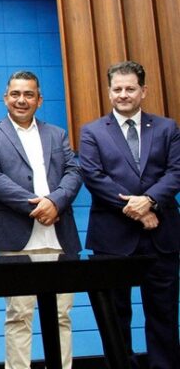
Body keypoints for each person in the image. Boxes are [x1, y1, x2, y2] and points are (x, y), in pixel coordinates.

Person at [0, 71, 82, 369]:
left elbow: (74, 172)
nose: (21, 100)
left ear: (39, 100)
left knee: (61, 315)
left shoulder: (57, 134)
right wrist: (38, 206)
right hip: (15, 239)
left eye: (29, 94)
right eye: (15, 94)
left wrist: (55, 202)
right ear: (5, 98)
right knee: (19, 315)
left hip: (58, 237)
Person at [79, 60, 180, 369]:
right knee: (115, 314)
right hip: (112, 238)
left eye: (130, 89)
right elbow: (93, 176)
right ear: (109, 92)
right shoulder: (92, 131)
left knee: (163, 313)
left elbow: (176, 171)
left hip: (161, 235)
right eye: (117, 89)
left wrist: (149, 201)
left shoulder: (167, 128)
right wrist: (137, 210)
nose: (123, 95)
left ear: (143, 91)